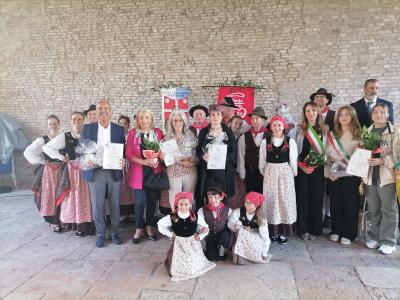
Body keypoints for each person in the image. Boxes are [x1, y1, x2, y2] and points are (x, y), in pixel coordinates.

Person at [82, 100, 126, 248]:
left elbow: (123, 150)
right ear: (96, 111)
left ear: (111, 111)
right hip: (95, 171)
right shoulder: (88, 128)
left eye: (106, 108)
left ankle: (114, 232)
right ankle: (100, 233)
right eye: (100, 108)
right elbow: (82, 148)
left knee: (114, 204)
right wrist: (87, 160)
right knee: (97, 205)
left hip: (113, 170)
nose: (103, 111)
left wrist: (123, 160)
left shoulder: (118, 129)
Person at [43, 112, 94, 237]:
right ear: (70, 121)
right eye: (74, 119)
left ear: (83, 120)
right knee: (75, 198)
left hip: (88, 169)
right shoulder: (65, 136)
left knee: (90, 197)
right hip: (73, 172)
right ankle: (79, 225)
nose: (77, 121)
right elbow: (46, 148)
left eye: (79, 119)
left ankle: (90, 224)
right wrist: (61, 157)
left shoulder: (89, 133)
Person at [364, 104, 399, 255]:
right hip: (370, 175)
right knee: (374, 208)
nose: (378, 115)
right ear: (371, 115)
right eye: (375, 112)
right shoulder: (367, 132)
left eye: (382, 112)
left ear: (388, 115)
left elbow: (398, 156)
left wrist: (384, 161)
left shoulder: (395, 132)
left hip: (386, 176)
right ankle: (376, 237)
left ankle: (388, 241)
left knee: (388, 209)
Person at [24, 115, 69, 233]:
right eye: (50, 124)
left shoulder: (63, 137)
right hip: (49, 172)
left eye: (54, 123)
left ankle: (64, 219)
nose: (52, 126)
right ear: (48, 126)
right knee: (51, 196)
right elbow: (28, 152)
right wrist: (42, 161)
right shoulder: (43, 140)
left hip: (62, 170)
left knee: (64, 194)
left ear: (59, 124)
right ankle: (55, 222)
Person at [157, 192, 215, 281]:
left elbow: (206, 227)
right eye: (181, 204)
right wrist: (170, 234)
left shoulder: (195, 216)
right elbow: (160, 225)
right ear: (177, 204)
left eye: (186, 204)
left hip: (192, 243)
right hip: (179, 243)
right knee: (177, 265)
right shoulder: (172, 216)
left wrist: (200, 236)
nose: (183, 207)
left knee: (192, 268)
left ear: (190, 204)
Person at [125, 108, 163, 244]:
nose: (144, 120)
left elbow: (162, 150)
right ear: (137, 120)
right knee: (140, 202)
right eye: (141, 118)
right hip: (139, 173)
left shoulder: (158, 132)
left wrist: (159, 158)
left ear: (151, 119)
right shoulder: (132, 133)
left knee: (152, 202)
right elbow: (128, 153)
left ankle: (149, 227)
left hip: (154, 172)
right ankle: (139, 228)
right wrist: (143, 161)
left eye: (147, 117)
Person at [324, 106, 361, 245]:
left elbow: (361, 158)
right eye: (341, 115)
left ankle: (349, 233)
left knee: (350, 204)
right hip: (334, 175)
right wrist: (329, 173)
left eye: (347, 115)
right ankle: (336, 230)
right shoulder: (332, 135)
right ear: (337, 118)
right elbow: (326, 157)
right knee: (336, 203)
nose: (344, 117)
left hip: (351, 175)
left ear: (353, 117)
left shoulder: (359, 135)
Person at [259, 116, 298, 244]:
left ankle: (283, 232)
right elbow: (262, 161)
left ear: (283, 127)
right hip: (270, 173)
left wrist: (292, 173)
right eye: (274, 125)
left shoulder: (290, 141)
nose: (276, 128)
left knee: (284, 201)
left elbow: (293, 160)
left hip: (285, 174)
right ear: (271, 127)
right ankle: (273, 232)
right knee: (272, 201)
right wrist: (266, 171)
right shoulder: (265, 142)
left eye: (279, 125)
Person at [295, 101, 328, 241]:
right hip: (302, 170)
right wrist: (300, 166)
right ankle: (303, 229)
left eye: (313, 110)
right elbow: (292, 151)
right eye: (307, 111)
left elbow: (328, 151)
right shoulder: (298, 130)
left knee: (316, 199)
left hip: (318, 170)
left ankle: (315, 229)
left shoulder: (325, 130)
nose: (311, 113)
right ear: (304, 113)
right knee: (302, 199)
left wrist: (318, 163)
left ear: (318, 112)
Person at [196, 104, 237, 209]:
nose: (215, 117)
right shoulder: (204, 132)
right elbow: (197, 149)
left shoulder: (228, 131)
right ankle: (208, 220)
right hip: (208, 170)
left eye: (218, 114)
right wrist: (202, 156)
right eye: (213, 115)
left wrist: (225, 158)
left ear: (222, 116)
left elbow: (233, 150)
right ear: (210, 116)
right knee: (208, 195)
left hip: (223, 171)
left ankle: (223, 221)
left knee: (224, 196)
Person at [160, 110, 198, 209]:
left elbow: (197, 154)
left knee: (189, 198)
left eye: (180, 120)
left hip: (190, 171)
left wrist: (193, 162)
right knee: (174, 199)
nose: (177, 123)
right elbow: (163, 158)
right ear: (171, 122)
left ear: (184, 121)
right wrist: (163, 156)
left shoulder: (191, 135)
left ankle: (187, 220)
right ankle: (175, 220)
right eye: (175, 120)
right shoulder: (166, 138)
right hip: (174, 172)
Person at [228, 191, 271, 264]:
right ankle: (241, 258)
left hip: (254, 239)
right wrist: (238, 225)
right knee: (240, 233)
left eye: (250, 203)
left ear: (256, 205)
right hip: (240, 239)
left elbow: (265, 236)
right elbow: (230, 224)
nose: (247, 204)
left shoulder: (261, 218)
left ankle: (253, 255)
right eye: (246, 202)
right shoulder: (238, 212)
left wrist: (264, 252)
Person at [237, 107, 268, 194]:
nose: (254, 121)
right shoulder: (244, 136)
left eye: (257, 118)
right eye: (252, 118)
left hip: (266, 173)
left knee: (264, 197)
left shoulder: (270, 135)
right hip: (250, 172)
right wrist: (242, 173)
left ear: (263, 120)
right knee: (251, 196)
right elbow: (241, 155)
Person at [197, 186, 233, 261]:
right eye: (210, 197)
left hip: (222, 234)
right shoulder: (202, 210)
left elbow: (232, 223)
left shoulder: (228, 210)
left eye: (216, 197)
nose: (213, 200)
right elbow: (198, 223)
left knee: (225, 236)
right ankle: (209, 249)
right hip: (211, 236)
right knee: (211, 258)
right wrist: (202, 228)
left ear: (221, 198)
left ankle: (222, 251)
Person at [118, 115, 135, 223]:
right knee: (122, 190)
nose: (123, 125)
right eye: (121, 123)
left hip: (131, 165)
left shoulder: (132, 136)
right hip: (120, 165)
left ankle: (133, 213)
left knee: (131, 189)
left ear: (128, 125)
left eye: (125, 123)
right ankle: (124, 214)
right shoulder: (115, 136)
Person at [228, 115, 246, 209]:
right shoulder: (224, 135)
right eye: (236, 123)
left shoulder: (241, 136)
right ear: (230, 123)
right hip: (227, 168)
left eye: (240, 124)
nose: (238, 126)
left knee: (239, 192)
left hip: (238, 168)